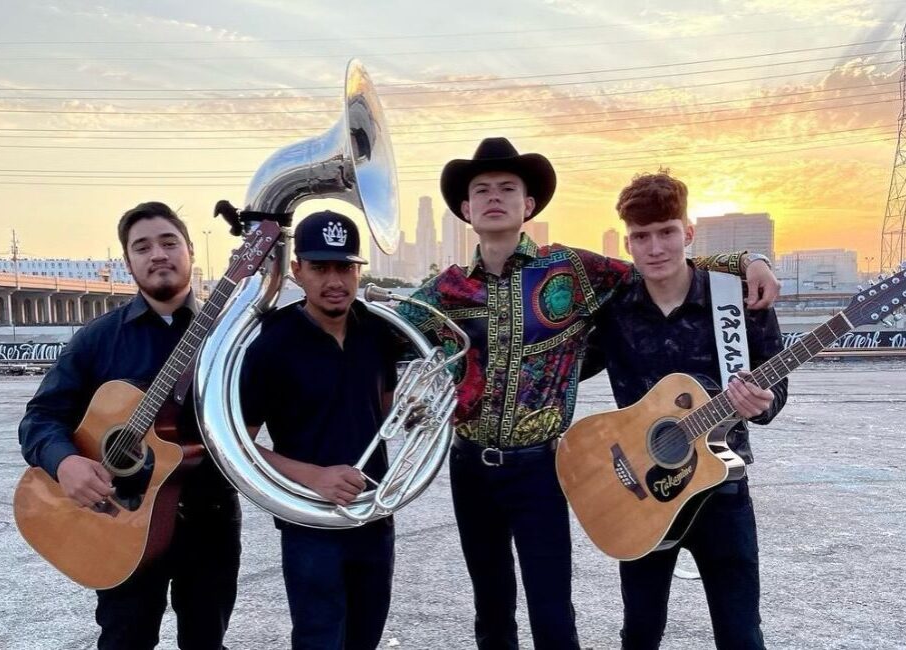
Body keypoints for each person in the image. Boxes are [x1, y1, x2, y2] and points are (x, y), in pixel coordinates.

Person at [395, 137, 780, 649]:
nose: (494, 197)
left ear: (528, 205)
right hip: (476, 467)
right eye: (481, 190)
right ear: (465, 209)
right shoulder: (444, 288)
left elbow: (665, 264)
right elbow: (384, 332)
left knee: (557, 611)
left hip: (561, 470)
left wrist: (751, 259)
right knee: (496, 609)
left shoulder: (574, 271)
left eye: (508, 188)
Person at [18, 201, 241, 650]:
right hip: (117, 520)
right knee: (124, 640)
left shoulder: (230, 337)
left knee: (206, 641)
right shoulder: (99, 338)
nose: (157, 254)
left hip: (209, 519)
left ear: (191, 252)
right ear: (128, 263)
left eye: (168, 242)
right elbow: (40, 418)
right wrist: (65, 465)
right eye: (142, 247)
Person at [582, 172, 788, 649]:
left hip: (722, 491)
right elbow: (565, 369)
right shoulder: (614, 309)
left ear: (688, 233)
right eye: (641, 236)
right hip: (639, 489)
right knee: (640, 633)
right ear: (629, 243)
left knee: (741, 636)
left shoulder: (737, 299)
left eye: (667, 232)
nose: (655, 247)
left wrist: (760, 405)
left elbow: (775, 390)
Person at [239, 210, 404, 650]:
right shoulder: (271, 345)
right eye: (320, 267)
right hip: (310, 523)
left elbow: (384, 413)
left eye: (345, 266)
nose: (335, 280)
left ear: (358, 269)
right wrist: (314, 476)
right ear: (296, 271)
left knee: (366, 637)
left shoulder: (377, 332)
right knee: (319, 641)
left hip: (373, 514)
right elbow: (238, 446)